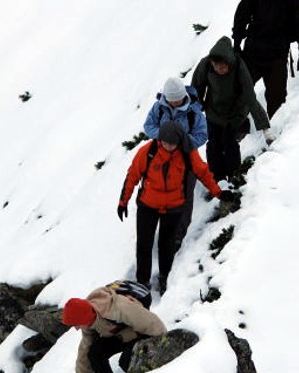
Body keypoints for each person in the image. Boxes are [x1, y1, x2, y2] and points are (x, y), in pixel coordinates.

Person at [117, 121, 231, 294]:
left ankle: (165, 277)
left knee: (166, 245)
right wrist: (122, 202)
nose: (168, 146)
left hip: (174, 207)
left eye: (172, 143)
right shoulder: (148, 152)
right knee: (144, 245)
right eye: (164, 142)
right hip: (148, 206)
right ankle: (142, 283)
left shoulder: (187, 153)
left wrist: (218, 192)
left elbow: (203, 173)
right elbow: (132, 176)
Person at [232, 0, 299, 117]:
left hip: (276, 57)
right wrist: (236, 43)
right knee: (239, 90)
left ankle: (275, 135)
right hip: (252, 54)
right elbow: (241, 16)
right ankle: (239, 129)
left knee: (277, 100)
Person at [192, 36, 273, 183]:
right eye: (216, 66)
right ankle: (217, 178)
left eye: (223, 66)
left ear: (228, 62)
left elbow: (250, 96)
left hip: (235, 111)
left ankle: (234, 176)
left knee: (229, 143)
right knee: (214, 144)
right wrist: (198, 105)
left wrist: (264, 127)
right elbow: (196, 88)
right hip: (214, 110)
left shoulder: (239, 67)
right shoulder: (205, 65)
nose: (220, 69)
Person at [62, 283, 166, 373]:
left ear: (84, 317)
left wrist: (165, 343)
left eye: (76, 324)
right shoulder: (88, 320)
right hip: (122, 335)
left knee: (126, 361)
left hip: (142, 333)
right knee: (94, 353)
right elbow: (84, 351)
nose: (77, 328)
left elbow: (152, 322)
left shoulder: (119, 307)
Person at [143, 76, 209, 247]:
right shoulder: (159, 108)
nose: (173, 103)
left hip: (187, 160)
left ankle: (177, 235)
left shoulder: (194, 112)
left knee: (184, 197)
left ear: (183, 96)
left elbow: (202, 135)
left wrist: (182, 143)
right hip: (161, 159)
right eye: (170, 100)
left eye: (177, 100)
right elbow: (148, 126)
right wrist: (164, 138)